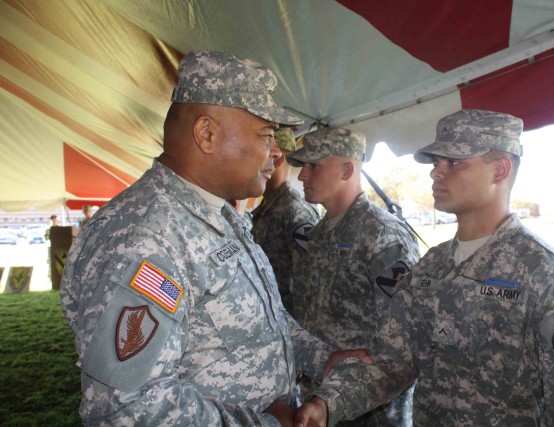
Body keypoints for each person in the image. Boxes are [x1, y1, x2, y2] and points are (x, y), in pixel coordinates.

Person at [296, 109, 554, 427]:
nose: (435, 171)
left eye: (453, 161)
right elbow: (391, 361)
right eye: (436, 161)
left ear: (499, 170)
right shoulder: (432, 268)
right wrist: (328, 402)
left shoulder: (548, 274)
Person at [60, 50, 337, 426]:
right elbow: (125, 409)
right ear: (206, 133)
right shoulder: (145, 236)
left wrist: (319, 357)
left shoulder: (218, 214)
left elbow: (260, 323)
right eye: (267, 135)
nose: (276, 153)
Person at [287, 127, 420, 426]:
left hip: (369, 412)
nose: (301, 176)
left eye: (313, 166)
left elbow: (405, 337)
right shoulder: (319, 234)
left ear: (347, 169)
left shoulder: (382, 235)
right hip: (318, 401)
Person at [251, 127, 321, 314]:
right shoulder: (266, 207)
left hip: (287, 321)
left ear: (278, 159)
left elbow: (311, 281)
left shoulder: (295, 211)